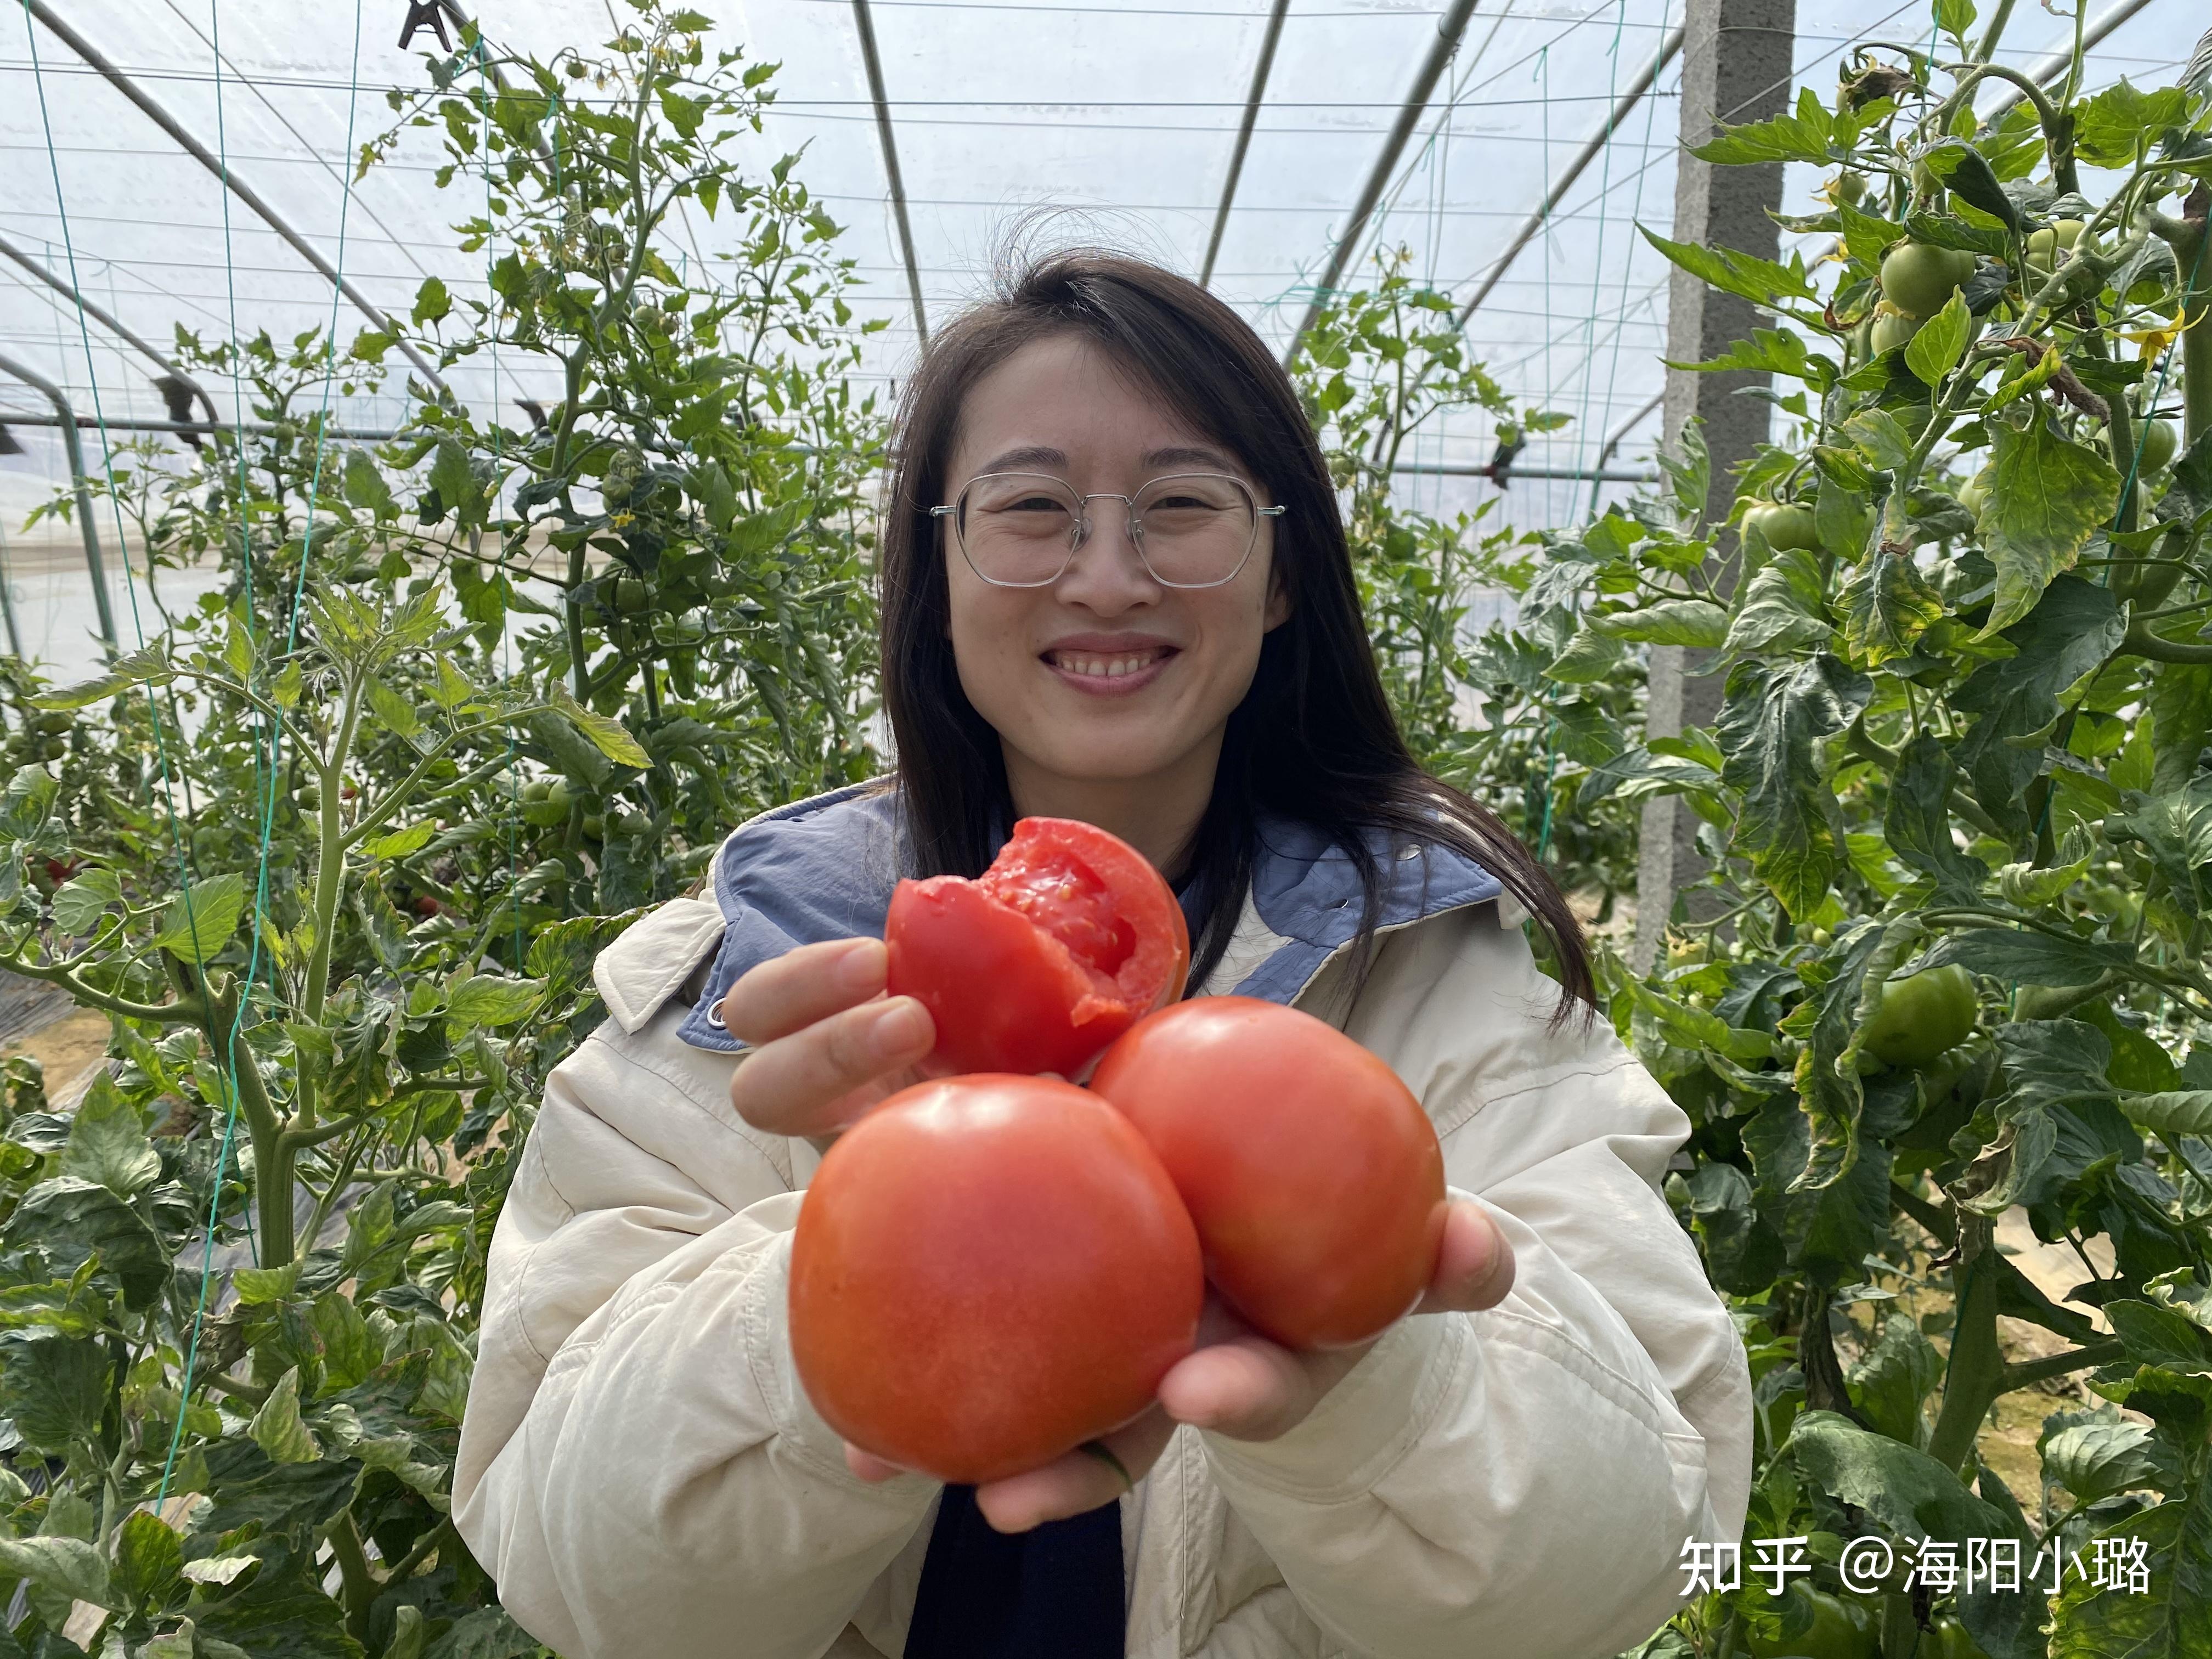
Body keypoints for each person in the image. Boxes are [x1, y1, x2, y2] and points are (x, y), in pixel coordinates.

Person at [453, 250, 1752, 1659]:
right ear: (936, 575)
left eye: (1185, 507)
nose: (1110, 576)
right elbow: (575, 1574)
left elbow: (1655, 1546)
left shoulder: (1453, 985)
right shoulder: (745, 985)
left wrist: (1378, 1388)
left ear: (1277, 579)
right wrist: (842, 1278)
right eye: (1030, 510)